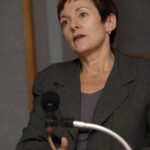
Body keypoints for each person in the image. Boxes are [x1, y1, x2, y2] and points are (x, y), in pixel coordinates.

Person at [16, 0, 150, 149]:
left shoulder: (145, 76)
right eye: (65, 22)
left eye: (82, 14)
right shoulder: (49, 80)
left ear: (109, 23)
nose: (73, 25)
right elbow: (29, 143)